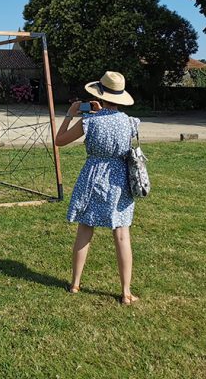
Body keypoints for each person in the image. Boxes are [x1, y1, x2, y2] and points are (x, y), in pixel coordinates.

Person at [55, 71, 141, 305]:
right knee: (122, 234)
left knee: (85, 228)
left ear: (100, 95)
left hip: (92, 175)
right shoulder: (131, 122)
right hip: (120, 178)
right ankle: (125, 292)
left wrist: (70, 115)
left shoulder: (89, 121)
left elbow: (59, 140)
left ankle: (75, 283)